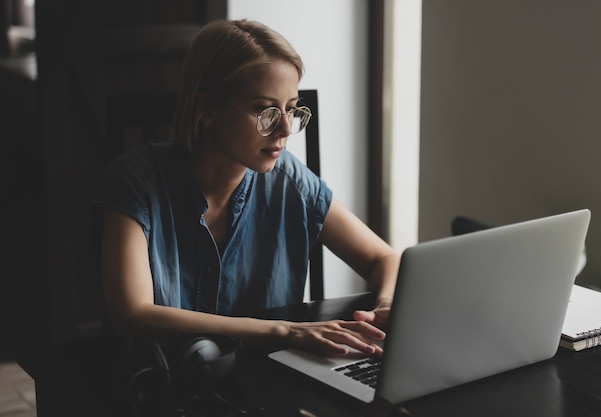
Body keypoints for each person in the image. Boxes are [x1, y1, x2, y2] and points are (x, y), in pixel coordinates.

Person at [96, 18, 400, 359]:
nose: (285, 128)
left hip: (267, 380)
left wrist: (385, 304)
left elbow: (384, 258)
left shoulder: (292, 181)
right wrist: (284, 329)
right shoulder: (136, 182)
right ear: (207, 110)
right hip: (161, 385)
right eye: (263, 110)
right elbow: (133, 313)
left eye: (291, 108)